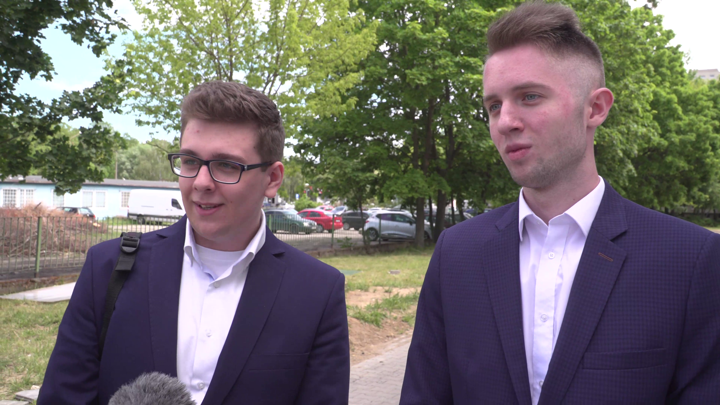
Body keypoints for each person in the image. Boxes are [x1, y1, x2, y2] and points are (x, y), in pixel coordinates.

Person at [400, 1, 720, 404]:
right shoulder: (456, 254)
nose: (505, 122)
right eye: (494, 106)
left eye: (530, 97)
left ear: (595, 108)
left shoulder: (689, 260)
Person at [38, 82, 350, 405]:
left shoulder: (317, 292)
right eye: (189, 161)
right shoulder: (107, 270)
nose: (201, 183)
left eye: (226, 165)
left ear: (272, 179)